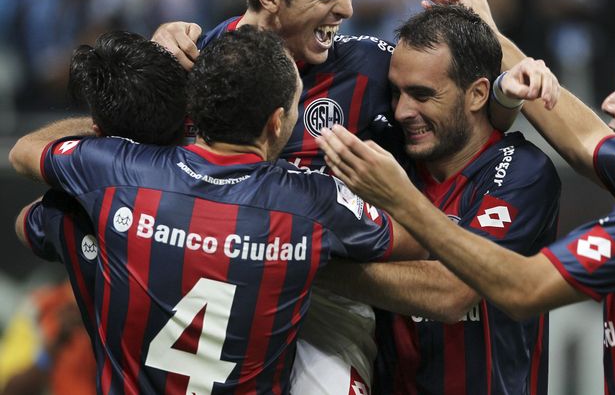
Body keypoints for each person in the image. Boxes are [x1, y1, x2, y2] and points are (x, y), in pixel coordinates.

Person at [151, 0, 557, 394]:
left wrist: (501, 93)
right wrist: (157, 62)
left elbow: (451, 110)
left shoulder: (364, 65)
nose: (346, 9)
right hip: (212, 283)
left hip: (323, 305)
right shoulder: (194, 64)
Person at [318, 18, 615, 393]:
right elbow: (586, 139)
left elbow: (520, 289)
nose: (609, 104)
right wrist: (494, 36)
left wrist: (394, 206)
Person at [9, 26, 423, 394]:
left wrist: (116, 124)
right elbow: (419, 240)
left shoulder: (117, 170)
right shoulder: (313, 202)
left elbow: (26, 192)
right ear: (277, 122)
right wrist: (395, 191)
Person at [317, 4, 561, 394]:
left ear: (478, 94)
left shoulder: (523, 173)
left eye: (422, 95)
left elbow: (452, 292)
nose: (401, 111)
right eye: (395, 92)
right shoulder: (387, 150)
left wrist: (309, 269)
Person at [11, 29, 192, 394]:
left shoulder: (76, 211)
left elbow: (22, 159)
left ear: (98, 130)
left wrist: (101, 140)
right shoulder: (233, 192)